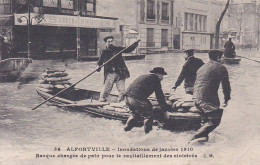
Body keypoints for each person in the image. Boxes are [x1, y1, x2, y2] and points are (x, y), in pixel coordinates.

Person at [190, 50, 231, 143]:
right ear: (218, 58)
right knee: (215, 120)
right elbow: (226, 86)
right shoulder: (221, 67)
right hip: (205, 99)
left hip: (196, 97)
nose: (224, 58)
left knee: (206, 120)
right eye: (223, 57)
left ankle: (202, 140)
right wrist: (227, 99)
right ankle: (194, 138)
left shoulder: (202, 67)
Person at [124, 67, 170, 133]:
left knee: (134, 114)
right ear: (157, 74)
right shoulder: (155, 79)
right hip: (137, 99)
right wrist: (165, 110)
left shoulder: (143, 76)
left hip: (127, 97)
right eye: (162, 75)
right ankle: (148, 134)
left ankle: (126, 130)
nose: (162, 78)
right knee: (148, 115)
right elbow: (159, 96)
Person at [97, 36, 140, 102]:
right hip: (110, 73)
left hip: (120, 73)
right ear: (106, 43)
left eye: (111, 41)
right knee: (107, 88)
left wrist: (136, 43)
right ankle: (102, 99)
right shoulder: (104, 52)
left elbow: (128, 49)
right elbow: (100, 61)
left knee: (122, 90)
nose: (110, 43)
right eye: (108, 42)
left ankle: (121, 101)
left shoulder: (117, 49)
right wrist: (98, 66)